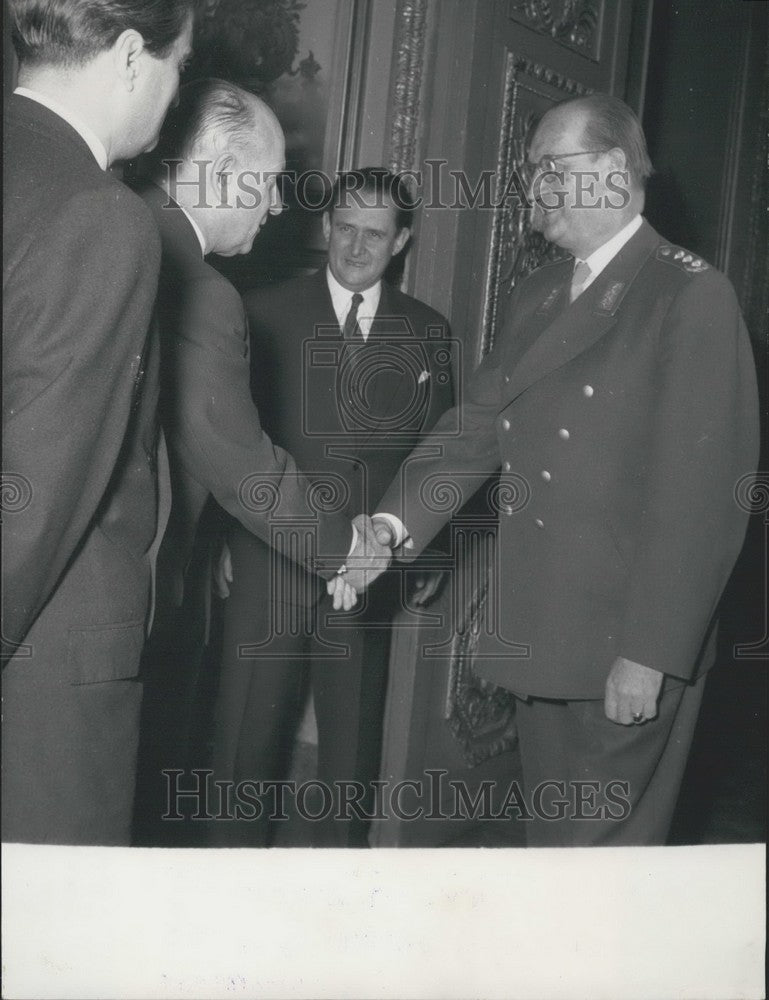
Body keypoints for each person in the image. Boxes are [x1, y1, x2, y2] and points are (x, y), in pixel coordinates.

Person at [370, 93, 760, 846]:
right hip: (544, 636)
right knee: (555, 856)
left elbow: (700, 504)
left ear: (612, 170)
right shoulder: (541, 291)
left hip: (625, 646)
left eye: (550, 167)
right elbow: (475, 426)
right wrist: (391, 525)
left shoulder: (689, 294)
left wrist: (649, 655)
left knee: (599, 866)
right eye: (530, 171)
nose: (534, 187)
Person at [131, 82, 390, 844]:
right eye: (270, 183)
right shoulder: (198, 287)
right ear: (220, 170)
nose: (276, 207)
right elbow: (242, 465)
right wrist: (347, 547)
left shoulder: (122, 221)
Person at [210, 167, 454, 847]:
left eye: (374, 234)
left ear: (400, 241)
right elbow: (224, 439)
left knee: (350, 750)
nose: (355, 247)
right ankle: (221, 885)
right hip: (270, 559)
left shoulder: (428, 332)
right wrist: (218, 540)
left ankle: (342, 888)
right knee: (244, 743)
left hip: (370, 570)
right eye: (345, 228)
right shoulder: (260, 311)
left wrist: (424, 549)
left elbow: (437, 455)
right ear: (325, 226)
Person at [1, 0, 193, 845]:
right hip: (40, 683)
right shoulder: (102, 216)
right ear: (129, 57)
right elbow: (32, 501)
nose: (176, 93)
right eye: (181, 66)